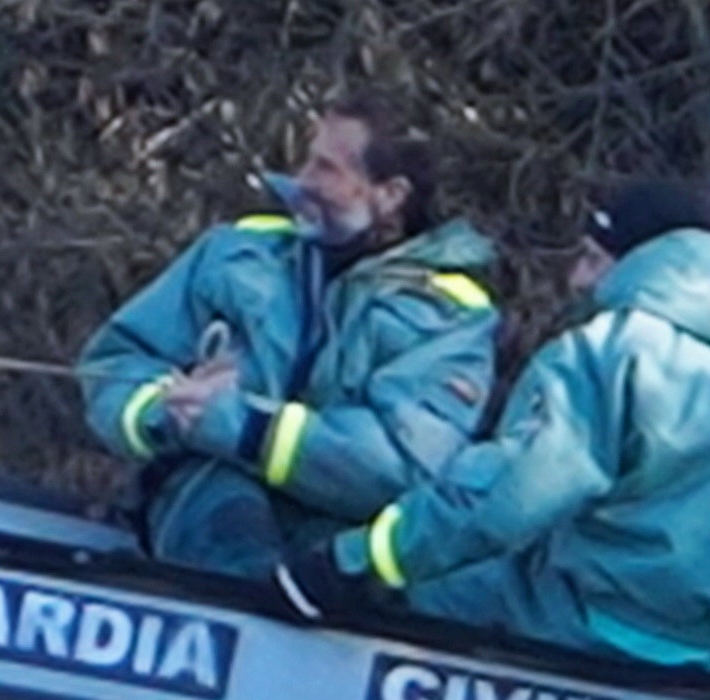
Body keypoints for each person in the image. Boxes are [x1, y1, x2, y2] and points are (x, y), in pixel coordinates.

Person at [294, 177, 710, 676]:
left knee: (442, 588)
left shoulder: (611, 352)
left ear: (642, 262)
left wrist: (361, 558)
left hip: (608, 628)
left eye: (591, 258)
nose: (578, 280)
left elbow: (507, 497)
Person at [76, 95, 504, 580]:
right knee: (225, 523)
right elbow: (115, 361)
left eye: (327, 169)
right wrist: (162, 415)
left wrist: (249, 429)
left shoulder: (452, 318)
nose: (302, 180)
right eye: (308, 159)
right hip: (205, 504)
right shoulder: (237, 252)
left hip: (337, 546)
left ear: (390, 195)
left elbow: (404, 466)